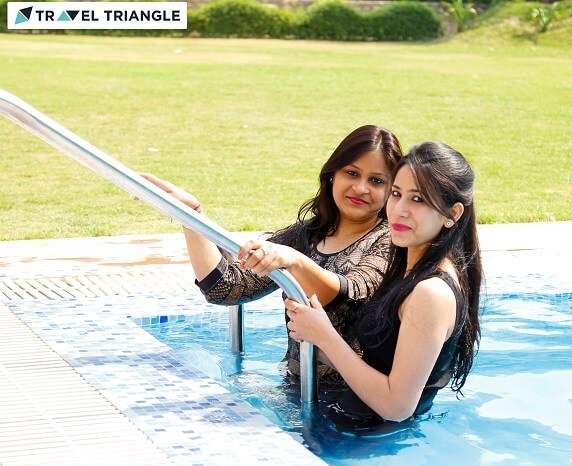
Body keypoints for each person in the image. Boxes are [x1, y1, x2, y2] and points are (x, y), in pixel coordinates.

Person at [139, 125, 403, 383]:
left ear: (392, 191)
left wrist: (294, 260)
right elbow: (225, 288)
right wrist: (191, 216)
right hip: (297, 393)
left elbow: (350, 292)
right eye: (352, 173)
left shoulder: (391, 243)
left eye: (376, 181)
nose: (361, 188)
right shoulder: (305, 235)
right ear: (332, 175)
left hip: (363, 406)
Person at [284, 141, 482, 427]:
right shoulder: (410, 269)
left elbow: (397, 406)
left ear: (453, 214)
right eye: (396, 194)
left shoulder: (431, 293)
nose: (399, 210)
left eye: (418, 200)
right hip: (350, 431)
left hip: (366, 444)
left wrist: (324, 335)